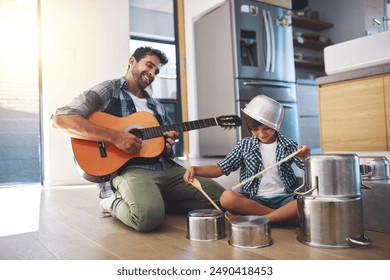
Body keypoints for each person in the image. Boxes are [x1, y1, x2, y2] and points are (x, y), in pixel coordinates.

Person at [51, 46, 226, 232]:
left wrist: (167, 146)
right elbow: (61, 119)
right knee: (147, 218)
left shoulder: (157, 106)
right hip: (132, 171)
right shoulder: (110, 89)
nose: (152, 73)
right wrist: (115, 136)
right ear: (132, 61)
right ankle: (111, 204)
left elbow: (165, 152)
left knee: (222, 201)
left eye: (156, 71)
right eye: (149, 65)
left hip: (166, 169)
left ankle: (157, 200)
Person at [183, 95, 311, 225]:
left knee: (303, 202)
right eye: (256, 129)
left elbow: (307, 168)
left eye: (267, 128)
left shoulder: (289, 144)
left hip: (284, 199)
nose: (262, 134)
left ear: (276, 125)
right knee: (227, 198)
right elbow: (221, 168)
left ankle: (264, 219)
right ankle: (281, 218)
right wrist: (196, 169)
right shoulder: (244, 145)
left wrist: (304, 157)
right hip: (254, 200)